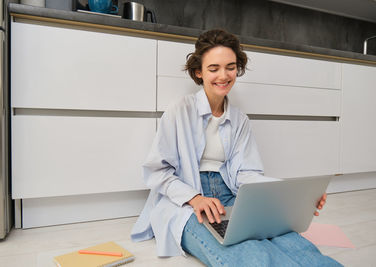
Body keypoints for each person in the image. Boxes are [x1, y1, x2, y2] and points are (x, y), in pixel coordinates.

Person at [131, 29, 341, 266]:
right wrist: (195, 198)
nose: (223, 75)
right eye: (214, 68)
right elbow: (157, 172)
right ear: (199, 72)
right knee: (252, 255)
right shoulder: (179, 110)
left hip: (231, 195)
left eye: (230, 67)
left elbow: (247, 173)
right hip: (186, 203)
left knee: (290, 240)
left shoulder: (239, 119)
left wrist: (296, 196)